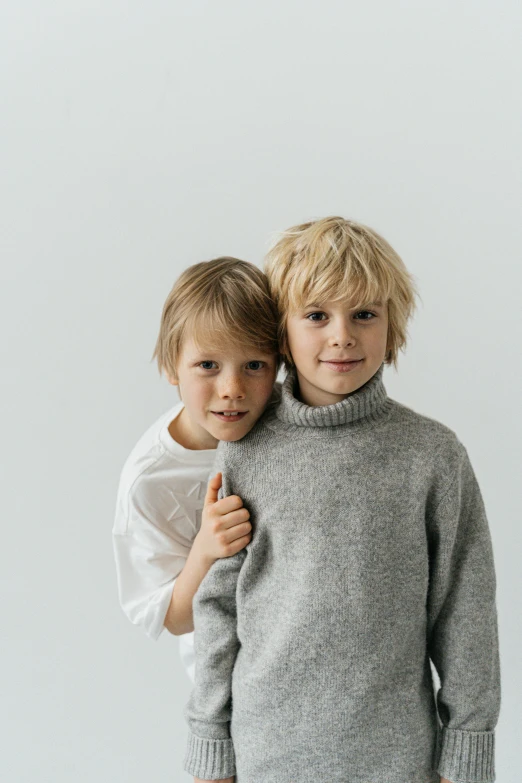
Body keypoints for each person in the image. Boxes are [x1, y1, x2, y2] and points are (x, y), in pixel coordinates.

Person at [183, 218, 501, 783]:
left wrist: (467, 750)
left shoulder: (432, 454)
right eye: (316, 315)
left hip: (399, 758)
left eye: (364, 314)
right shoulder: (245, 450)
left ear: (392, 325)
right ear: (281, 331)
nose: (342, 336)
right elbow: (218, 606)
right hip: (267, 754)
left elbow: (464, 608)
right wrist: (211, 741)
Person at [112, 256, 281, 682]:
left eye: (254, 366)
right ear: (171, 366)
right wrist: (206, 549)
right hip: (233, 683)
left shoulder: (286, 419)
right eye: (208, 365)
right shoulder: (150, 481)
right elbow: (171, 618)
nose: (232, 390)